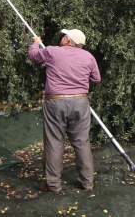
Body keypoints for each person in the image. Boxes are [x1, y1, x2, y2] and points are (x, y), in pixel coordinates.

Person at [28, 29, 101, 193]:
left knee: (54, 142)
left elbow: (34, 56)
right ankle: (87, 183)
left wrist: (35, 41)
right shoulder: (88, 56)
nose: (62, 37)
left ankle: (53, 185)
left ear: (68, 40)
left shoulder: (52, 52)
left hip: (56, 102)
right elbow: (96, 79)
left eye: (64, 36)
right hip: (80, 102)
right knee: (82, 142)